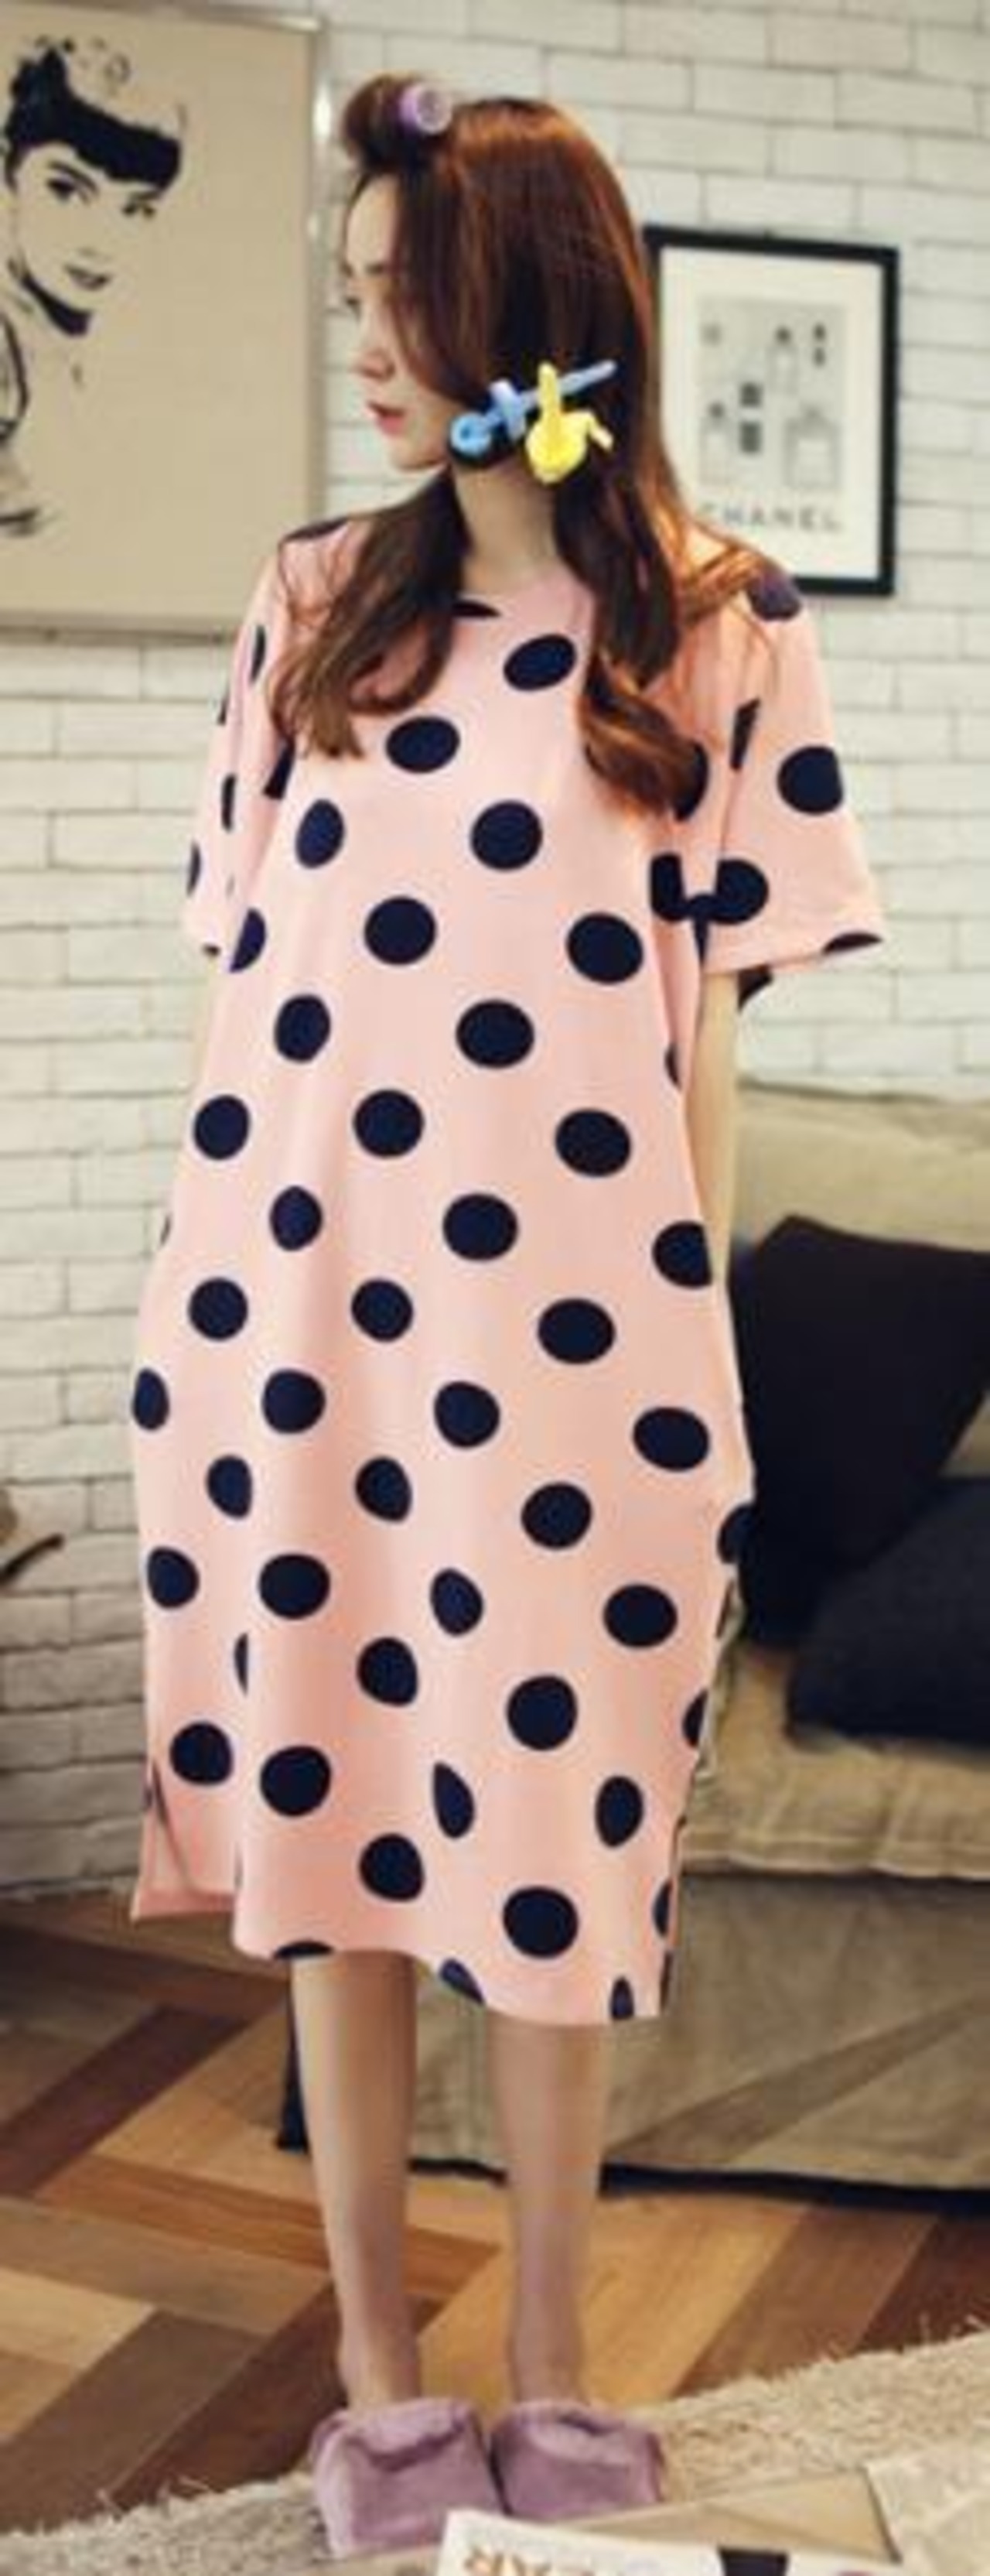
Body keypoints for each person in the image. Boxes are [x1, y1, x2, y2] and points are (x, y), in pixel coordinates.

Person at [125, 71, 887, 2550]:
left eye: (400, 297)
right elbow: (248, 1011)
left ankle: (558, 2375)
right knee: (333, 1854)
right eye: (348, 294)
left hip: (581, 1367)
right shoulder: (307, 601)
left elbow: (713, 1050)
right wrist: (198, 1319)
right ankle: (378, 2380)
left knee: (554, 1875)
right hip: (292, 1340)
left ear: (529, 310)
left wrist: (698, 1381)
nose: (362, 345)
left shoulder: (718, 624)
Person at [0, 32, 185, 535]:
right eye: (65, 190)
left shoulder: (97, 345)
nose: (100, 239)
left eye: (136, 209)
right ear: (9, 170)